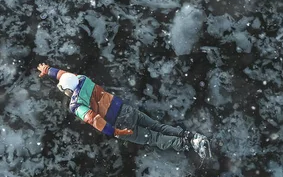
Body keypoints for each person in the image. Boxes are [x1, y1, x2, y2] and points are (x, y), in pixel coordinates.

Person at [36, 63, 211, 159]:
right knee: (157, 126)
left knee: (154, 138)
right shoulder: (83, 79)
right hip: (126, 109)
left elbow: (94, 119)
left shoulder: (76, 105)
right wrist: (49, 70)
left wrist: (115, 131)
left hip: (119, 123)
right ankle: (191, 136)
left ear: (67, 91)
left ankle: (190, 144)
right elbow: (65, 75)